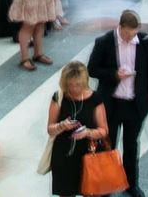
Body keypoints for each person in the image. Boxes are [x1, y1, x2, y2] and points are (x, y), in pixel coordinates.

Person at [87, 10, 148, 197]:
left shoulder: (146, 43)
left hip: (134, 105)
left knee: (131, 145)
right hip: (112, 103)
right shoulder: (104, 42)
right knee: (108, 144)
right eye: (128, 33)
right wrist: (114, 74)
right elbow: (92, 69)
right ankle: (106, 183)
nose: (130, 37)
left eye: (134, 33)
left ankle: (131, 183)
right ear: (120, 26)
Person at [47, 61, 109, 197]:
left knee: (91, 191)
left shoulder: (95, 99)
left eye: (78, 85)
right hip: (64, 155)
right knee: (65, 192)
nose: (74, 89)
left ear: (84, 82)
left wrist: (87, 132)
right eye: (70, 85)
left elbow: (104, 130)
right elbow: (50, 129)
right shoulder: (59, 97)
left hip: (88, 154)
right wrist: (62, 125)